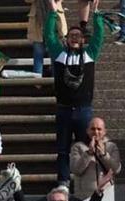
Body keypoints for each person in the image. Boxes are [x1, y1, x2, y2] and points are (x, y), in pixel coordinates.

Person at [44, 0, 105, 186]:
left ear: (83, 39)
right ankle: (63, 182)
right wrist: (53, 12)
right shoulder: (59, 54)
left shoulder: (89, 55)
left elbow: (99, 36)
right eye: (71, 35)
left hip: (83, 110)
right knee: (62, 150)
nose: (75, 38)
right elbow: (49, 35)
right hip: (63, 110)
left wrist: (95, 13)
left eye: (78, 35)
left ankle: (83, 181)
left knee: (85, 148)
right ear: (67, 39)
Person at [69, 116, 122, 198]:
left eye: (99, 129)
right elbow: (76, 170)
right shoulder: (78, 147)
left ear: (104, 131)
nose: (96, 132)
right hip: (84, 197)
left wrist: (104, 155)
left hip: (106, 195)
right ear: (87, 131)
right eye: (93, 129)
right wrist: (88, 154)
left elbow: (116, 169)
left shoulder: (111, 147)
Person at [26, 0, 68, 77]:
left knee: (56, 51)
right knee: (38, 52)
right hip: (38, 21)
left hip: (56, 18)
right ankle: (37, 82)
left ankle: (56, 80)